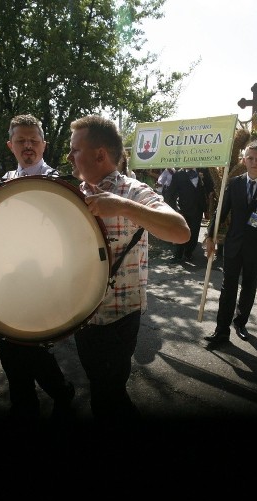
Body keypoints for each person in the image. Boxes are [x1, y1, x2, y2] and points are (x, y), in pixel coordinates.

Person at [67, 115, 189, 427]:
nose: (69, 157)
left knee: (109, 398)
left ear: (99, 155)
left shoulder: (133, 190)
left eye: (75, 150)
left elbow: (181, 231)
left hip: (117, 318)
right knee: (100, 389)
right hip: (82, 316)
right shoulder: (72, 193)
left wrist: (121, 206)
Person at [0, 114, 77, 426]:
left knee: (29, 344)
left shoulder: (57, 184)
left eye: (33, 141)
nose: (27, 146)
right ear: (11, 145)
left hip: (42, 277)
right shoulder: (2, 183)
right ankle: (24, 405)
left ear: (43, 145)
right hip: (11, 276)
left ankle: (60, 392)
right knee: (7, 342)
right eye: (21, 141)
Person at [203, 140, 257, 345]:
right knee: (227, 288)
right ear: (244, 160)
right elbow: (220, 212)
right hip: (233, 245)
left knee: (248, 287)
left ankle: (240, 322)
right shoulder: (235, 183)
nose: (254, 162)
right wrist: (210, 236)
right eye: (250, 158)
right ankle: (221, 331)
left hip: (256, 249)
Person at [166, 167, 207, 263]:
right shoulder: (178, 175)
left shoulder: (203, 171)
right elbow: (171, 193)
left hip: (198, 209)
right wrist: (173, 209)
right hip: (182, 209)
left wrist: (207, 208)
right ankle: (178, 254)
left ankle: (188, 253)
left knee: (194, 231)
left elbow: (208, 189)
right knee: (181, 230)